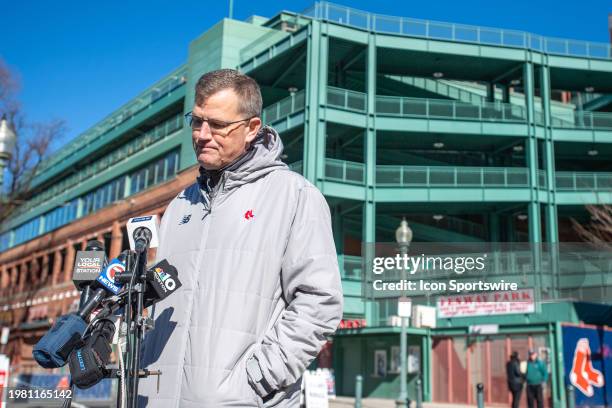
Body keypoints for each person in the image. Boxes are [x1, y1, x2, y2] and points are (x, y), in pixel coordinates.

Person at [138, 69, 344, 407]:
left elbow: (319, 303)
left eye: (217, 125)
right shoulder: (178, 206)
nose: (202, 135)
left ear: (251, 128)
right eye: (197, 121)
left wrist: (256, 380)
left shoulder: (294, 196)